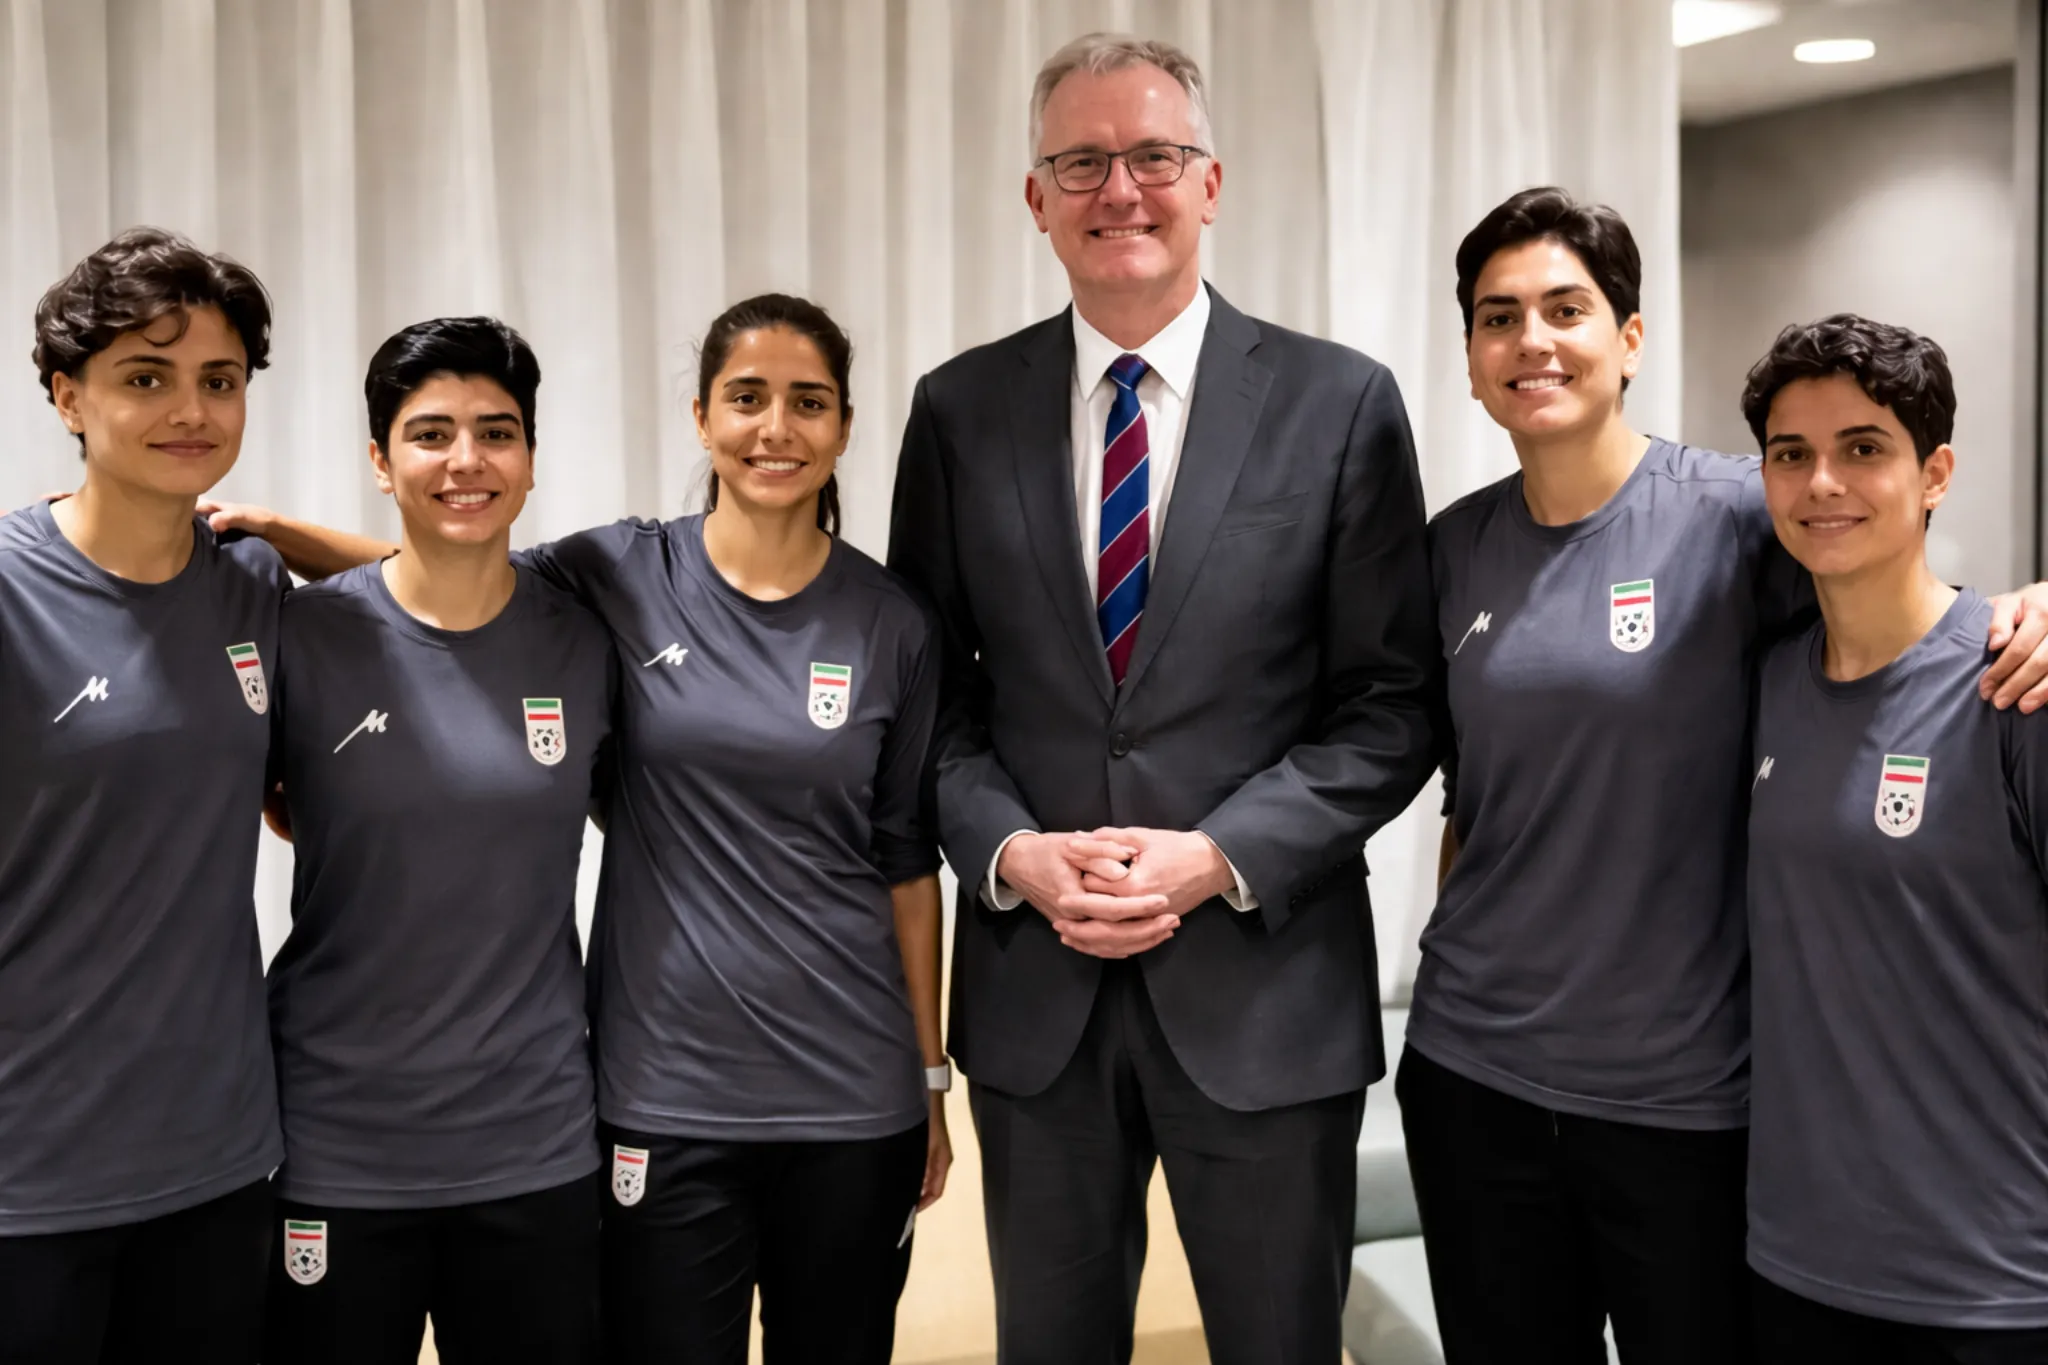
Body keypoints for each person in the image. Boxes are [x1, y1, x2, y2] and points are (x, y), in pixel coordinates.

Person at [202, 293, 950, 1365]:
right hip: (643, 1094)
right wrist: (271, 532)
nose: (774, 429)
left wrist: (929, 1078)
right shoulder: (614, 576)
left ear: (841, 425)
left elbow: (902, 859)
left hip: (828, 1089)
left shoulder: (889, 621)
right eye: (746, 398)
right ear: (700, 417)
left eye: (806, 402)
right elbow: (454, 579)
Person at [1408, 189, 2048, 1365]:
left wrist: (2035, 605)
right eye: (1497, 318)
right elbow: (1473, 793)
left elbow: (1893, 594)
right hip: (1472, 1073)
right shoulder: (1448, 550)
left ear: (1630, 339)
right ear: (1467, 356)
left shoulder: (1736, 518)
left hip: (1686, 1103)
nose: (1531, 341)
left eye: (1565, 308)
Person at [886, 34, 1438, 1365]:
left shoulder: (1340, 404)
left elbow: (1392, 701)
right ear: (1036, 197)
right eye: (1081, 161)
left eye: (1152, 157)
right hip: (1037, 999)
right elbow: (925, 702)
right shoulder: (959, 413)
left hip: (1266, 994)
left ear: (1211, 183)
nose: (1117, 188)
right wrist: (1011, 850)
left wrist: (1221, 855)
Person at [259, 318, 611, 1363]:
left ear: (533, 458)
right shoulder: (299, 638)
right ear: (379, 460)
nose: (467, 461)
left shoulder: (587, 640)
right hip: (334, 1143)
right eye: (430, 434)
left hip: (535, 1145)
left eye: (497, 432)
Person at [0, 229, 285, 1362]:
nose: (192, 410)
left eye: (220, 381)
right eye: (145, 378)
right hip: (28, 1171)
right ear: (68, 396)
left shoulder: (252, 587)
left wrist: (288, 532)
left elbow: (446, 601)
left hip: (216, 1157)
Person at [1744, 315, 2048, 1361]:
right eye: (1791, 455)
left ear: (1934, 474)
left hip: (1992, 1284)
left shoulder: (2015, 684)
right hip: (1789, 1263)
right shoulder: (1762, 682)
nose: (1821, 481)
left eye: (1862, 448)